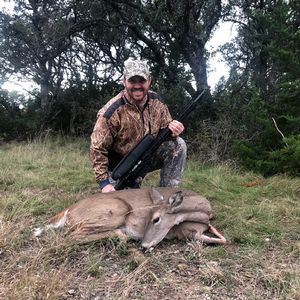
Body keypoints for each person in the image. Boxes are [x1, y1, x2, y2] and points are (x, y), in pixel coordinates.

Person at [90, 60, 186, 193]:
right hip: (120, 166)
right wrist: (104, 183)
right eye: (132, 81)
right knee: (120, 206)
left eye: (141, 81)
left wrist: (175, 131)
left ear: (149, 81)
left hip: (147, 157)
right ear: (124, 82)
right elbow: (97, 149)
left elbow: (166, 131)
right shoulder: (111, 111)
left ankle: (168, 193)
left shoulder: (157, 102)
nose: (137, 86)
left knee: (178, 144)